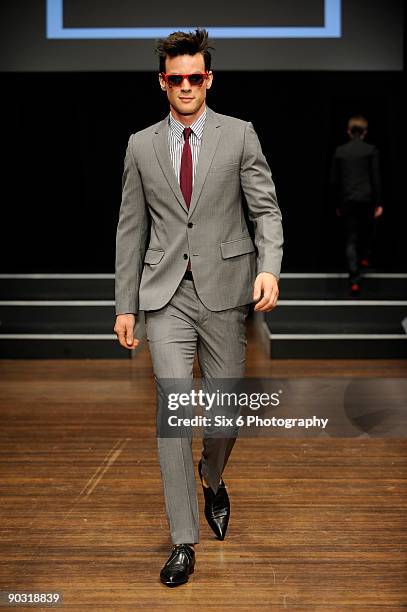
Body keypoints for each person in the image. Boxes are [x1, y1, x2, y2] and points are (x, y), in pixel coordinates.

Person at [113, 28, 283, 587]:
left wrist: (268, 266)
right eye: (175, 78)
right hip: (165, 296)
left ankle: (212, 475)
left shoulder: (239, 136)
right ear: (163, 81)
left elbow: (266, 210)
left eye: (196, 76)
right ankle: (184, 541)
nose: (186, 86)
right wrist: (126, 305)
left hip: (226, 289)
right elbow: (130, 230)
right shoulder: (140, 145)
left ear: (208, 78)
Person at [330, 115, 383, 295]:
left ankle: (354, 278)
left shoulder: (340, 151)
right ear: (365, 132)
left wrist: (338, 202)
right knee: (365, 233)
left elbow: (334, 181)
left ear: (348, 131)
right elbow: (376, 178)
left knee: (351, 238)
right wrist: (379, 202)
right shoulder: (370, 150)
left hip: (348, 200)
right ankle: (363, 261)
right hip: (366, 199)